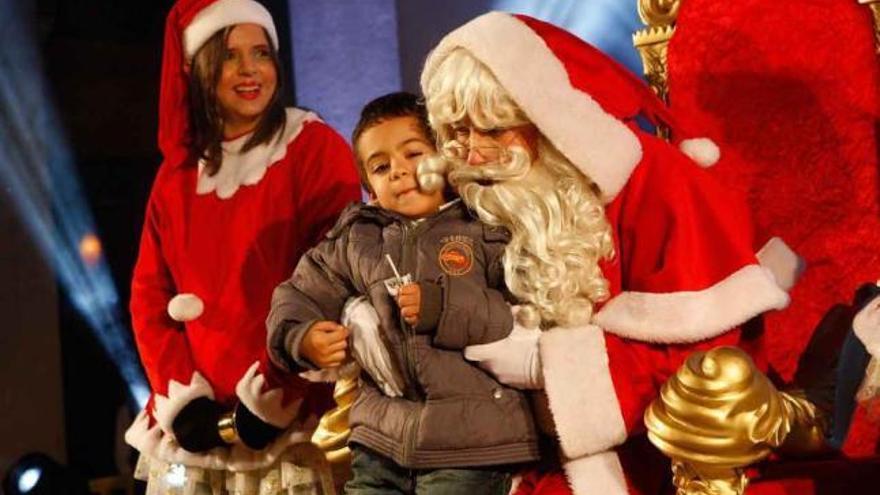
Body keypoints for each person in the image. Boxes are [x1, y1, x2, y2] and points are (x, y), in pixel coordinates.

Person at [411, 12, 802, 495]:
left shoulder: (660, 186)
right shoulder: (471, 196)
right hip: (499, 447)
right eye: (456, 133)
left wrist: (547, 365)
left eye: (493, 131)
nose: (471, 155)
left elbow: (708, 363)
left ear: (548, 119)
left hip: (649, 455)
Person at [124, 0, 361, 491]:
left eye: (262, 53)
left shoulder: (313, 148)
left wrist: (278, 394)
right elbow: (149, 298)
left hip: (291, 425)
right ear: (199, 68)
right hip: (199, 435)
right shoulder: (176, 177)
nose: (250, 70)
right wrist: (186, 402)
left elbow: (334, 279)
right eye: (231, 55)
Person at [266, 92, 539, 495]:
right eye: (380, 166)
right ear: (369, 186)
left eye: (413, 154)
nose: (398, 171)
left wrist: (441, 307)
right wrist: (300, 337)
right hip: (381, 442)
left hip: (470, 447)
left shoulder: (483, 227)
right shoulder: (357, 237)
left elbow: (514, 313)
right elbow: (300, 292)